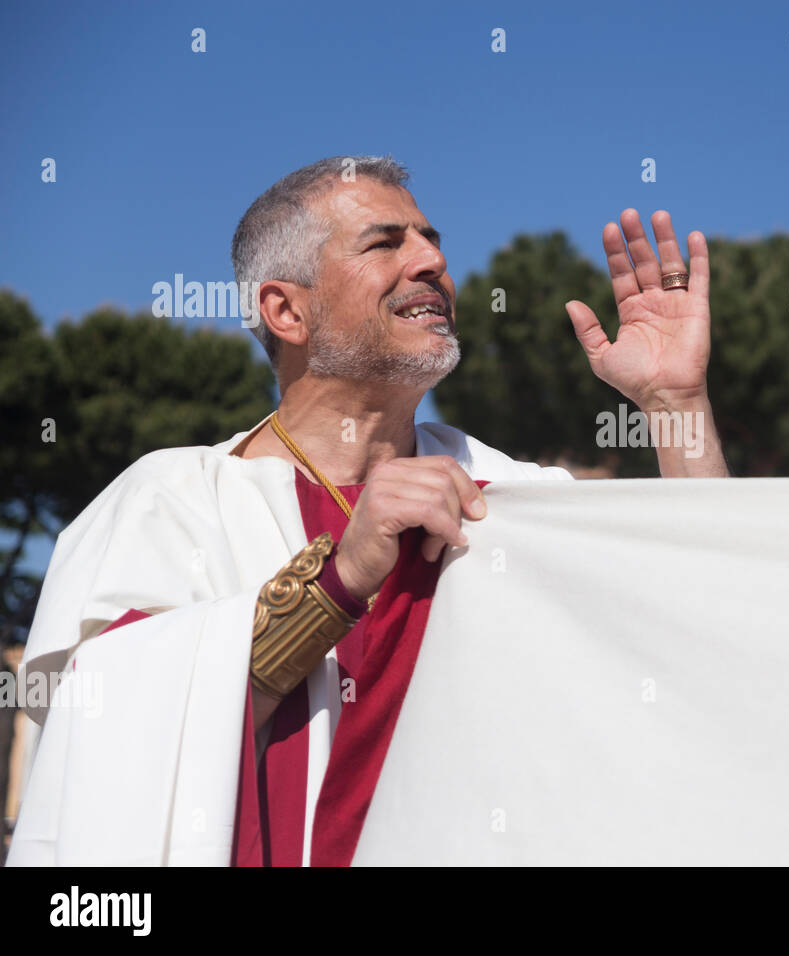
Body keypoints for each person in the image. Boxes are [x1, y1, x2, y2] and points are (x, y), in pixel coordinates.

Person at [8, 155, 728, 867]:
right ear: (286, 310)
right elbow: (108, 747)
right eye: (386, 243)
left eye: (431, 239)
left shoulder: (515, 499)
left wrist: (675, 407)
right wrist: (340, 579)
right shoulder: (171, 502)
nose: (433, 262)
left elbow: (704, 631)